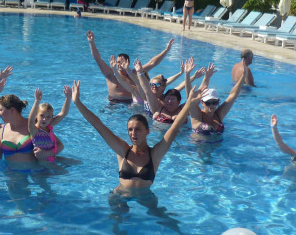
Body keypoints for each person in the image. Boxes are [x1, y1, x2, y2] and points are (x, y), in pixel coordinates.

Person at [72, 79, 202, 189]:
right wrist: (78, 103)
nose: (133, 133)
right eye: (130, 129)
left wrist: (189, 103)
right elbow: (98, 125)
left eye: (138, 129)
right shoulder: (122, 150)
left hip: (146, 198)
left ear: (147, 131)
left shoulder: (155, 154)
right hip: (120, 196)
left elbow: (174, 128)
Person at [86, 30, 174, 103]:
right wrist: (91, 43)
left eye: (121, 62)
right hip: (114, 103)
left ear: (128, 62)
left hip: (132, 103)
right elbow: (98, 59)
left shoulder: (135, 73)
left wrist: (166, 50)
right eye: (117, 62)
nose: (119, 64)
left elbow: (152, 63)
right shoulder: (111, 74)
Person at [186, 61, 247, 138]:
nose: (211, 105)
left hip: (220, 145)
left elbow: (233, 95)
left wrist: (243, 76)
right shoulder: (197, 116)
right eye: (208, 103)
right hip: (199, 145)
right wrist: (187, 75)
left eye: (214, 102)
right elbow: (190, 98)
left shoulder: (219, 114)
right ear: (202, 103)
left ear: (218, 102)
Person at [0, 94, 40, 171]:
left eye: (0, 110)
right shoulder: (1, 130)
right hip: (11, 174)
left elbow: (56, 145)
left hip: (35, 172)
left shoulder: (32, 126)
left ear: (12, 110)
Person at [28, 86, 71, 164]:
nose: (45, 119)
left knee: (77, 162)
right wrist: (37, 101)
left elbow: (63, 113)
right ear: (36, 115)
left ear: (51, 118)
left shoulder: (49, 126)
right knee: (62, 171)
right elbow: (31, 120)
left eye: (48, 117)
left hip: (52, 157)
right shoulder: (34, 130)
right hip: (43, 163)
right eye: (42, 116)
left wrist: (68, 98)